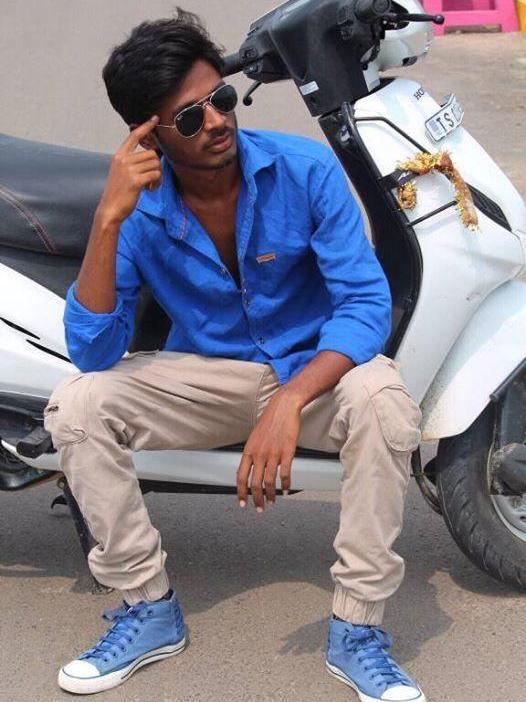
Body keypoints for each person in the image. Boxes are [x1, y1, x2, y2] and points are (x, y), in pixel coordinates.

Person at [44, 8, 425, 701]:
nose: (218, 121)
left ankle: (358, 628)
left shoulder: (303, 170)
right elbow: (94, 350)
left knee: (384, 401)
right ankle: (146, 608)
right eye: (190, 118)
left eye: (220, 98)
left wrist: (290, 400)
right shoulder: (137, 210)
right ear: (147, 135)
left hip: (310, 378)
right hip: (206, 380)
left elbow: (365, 305)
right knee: (77, 405)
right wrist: (108, 218)